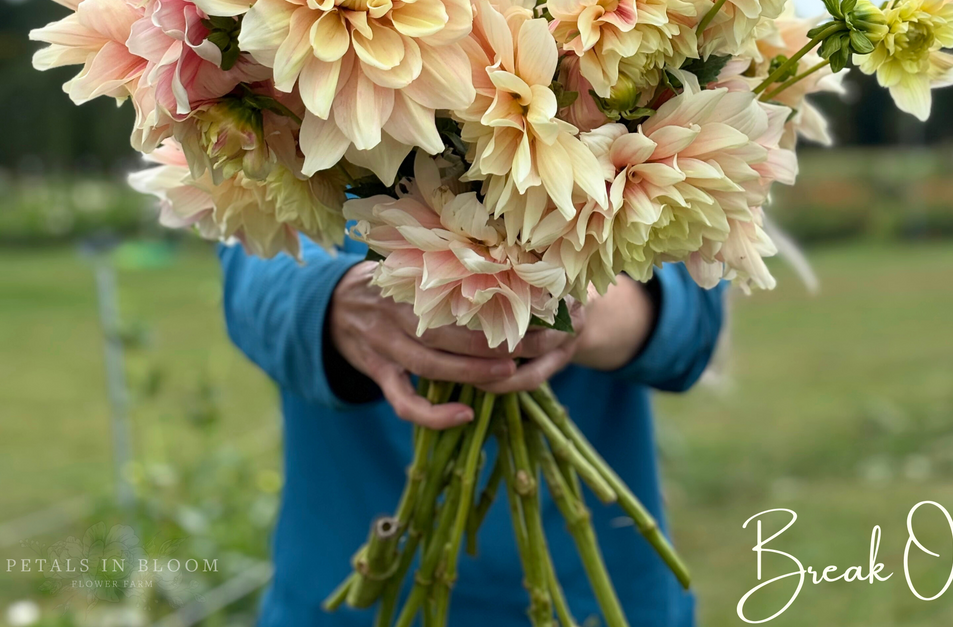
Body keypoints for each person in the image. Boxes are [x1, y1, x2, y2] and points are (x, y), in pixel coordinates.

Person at [220, 234, 725, 627]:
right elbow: (252, 256)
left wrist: (573, 307)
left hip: (600, 590)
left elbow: (692, 312)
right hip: (349, 578)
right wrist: (335, 301)